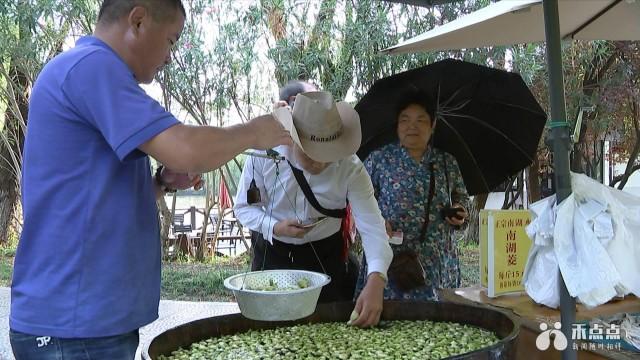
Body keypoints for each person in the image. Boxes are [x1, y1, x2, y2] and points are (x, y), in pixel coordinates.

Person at [9, 1, 290, 359]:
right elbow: (184, 147)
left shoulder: (91, 73)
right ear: (138, 21)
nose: (170, 57)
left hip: (87, 323)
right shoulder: (92, 68)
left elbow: (92, 190)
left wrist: (163, 183)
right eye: (172, 41)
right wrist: (254, 132)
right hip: (73, 325)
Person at [234, 81, 392, 328]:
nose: (318, 162)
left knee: (326, 331)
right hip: (273, 254)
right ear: (292, 137)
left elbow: (372, 224)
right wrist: (275, 227)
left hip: (326, 256)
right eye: (310, 152)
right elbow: (243, 208)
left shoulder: (350, 166)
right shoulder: (265, 156)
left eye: (326, 155)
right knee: (271, 332)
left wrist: (376, 279)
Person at [355, 90, 469, 301]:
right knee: (390, 322)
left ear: (433, 125)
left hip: (436, 258)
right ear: (397, 125)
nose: (412, 126)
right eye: (405, 120)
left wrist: (461, 213)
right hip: (391, 257)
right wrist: (378, 224)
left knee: (435, 323)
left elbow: (462, 199)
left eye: (421, 120)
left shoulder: (447, 162)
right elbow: (359, 203)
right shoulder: (379, 160)